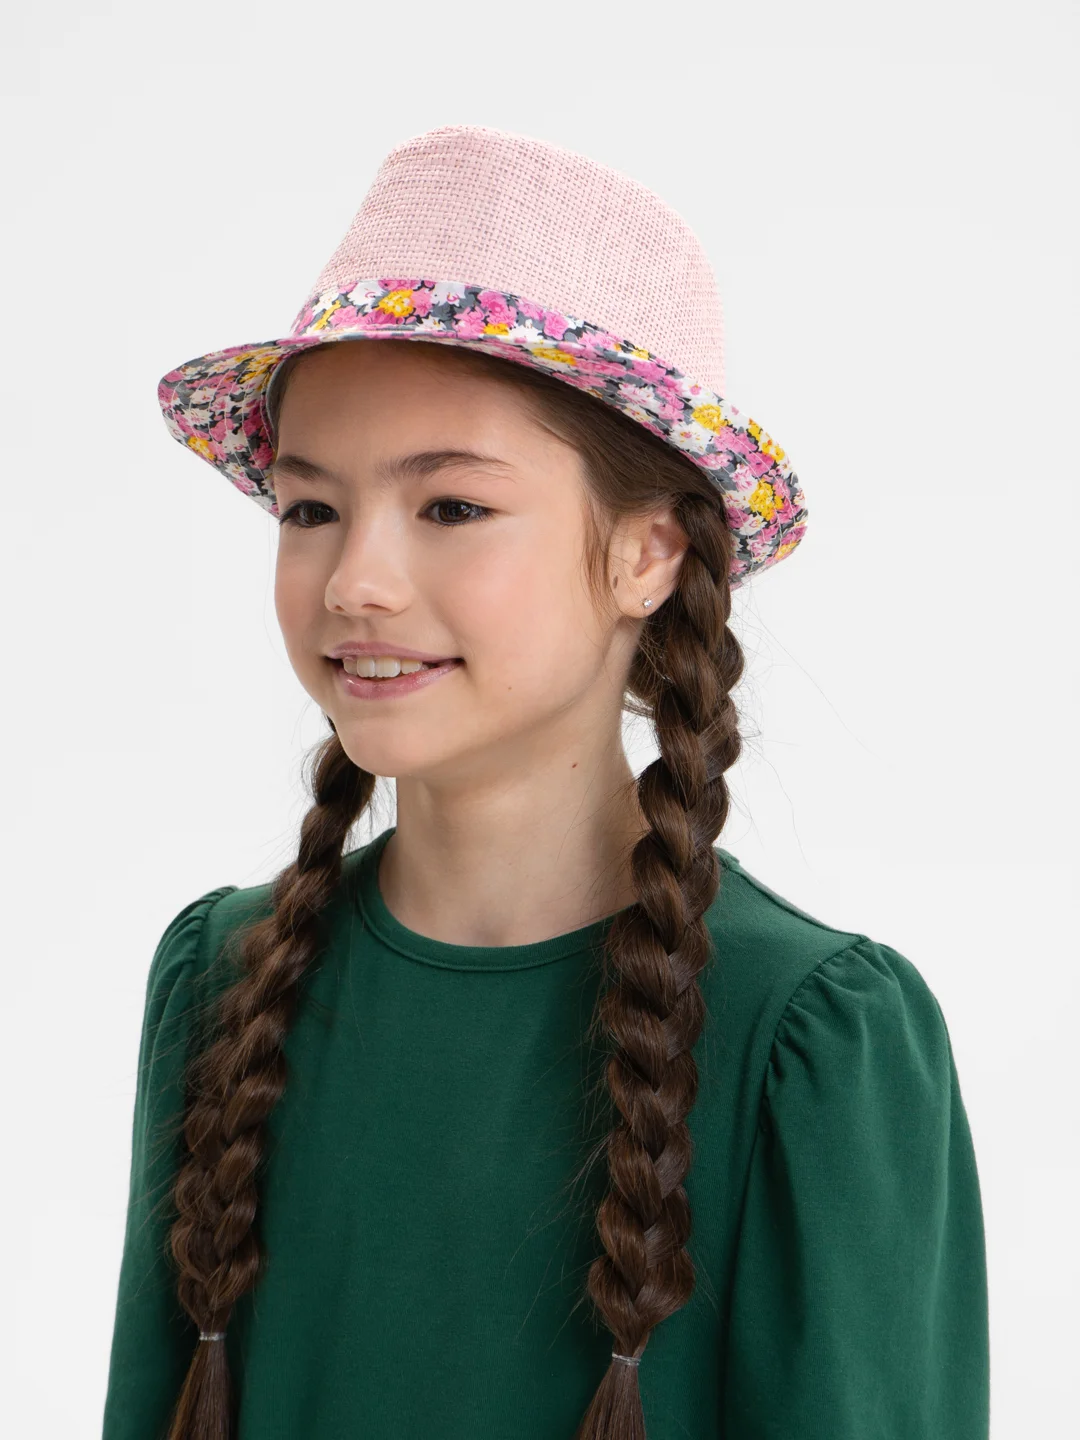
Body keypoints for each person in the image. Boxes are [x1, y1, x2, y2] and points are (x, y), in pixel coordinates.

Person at [101, 124, 990, 1439]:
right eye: (310, 509)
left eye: (452, 508)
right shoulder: (226, 981)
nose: (358, 583)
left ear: (647, 554)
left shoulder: (807, 1039)